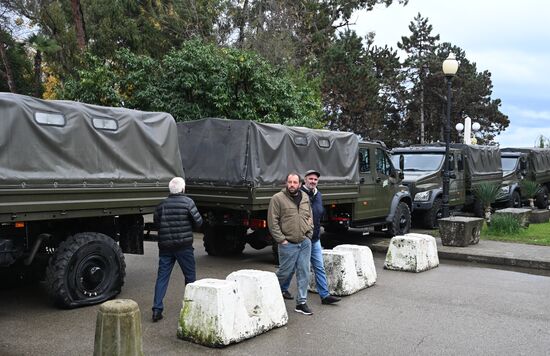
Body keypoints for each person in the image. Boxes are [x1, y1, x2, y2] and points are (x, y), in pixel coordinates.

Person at [152, 177, 202, 322]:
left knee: (162, 277)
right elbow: (198, 223)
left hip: (165, 247)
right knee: (190, 278)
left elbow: (157, 223)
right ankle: (191, 308)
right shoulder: (188, 202)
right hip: (184, 246)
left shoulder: (161, 205)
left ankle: (157, 309)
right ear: (183, 189)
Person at [288, 169, 341, 305]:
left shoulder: (318, 195)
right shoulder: (299, 194)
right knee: (294, 267)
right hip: (302, 238)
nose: (313, 181)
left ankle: (325, 296)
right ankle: (283, 289)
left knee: (319, 267)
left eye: (315, 179)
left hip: (315, 238)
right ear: (305, 180)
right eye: (310, 179)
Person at [268, 172, 314, 315]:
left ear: (300, 184)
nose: (292, 185)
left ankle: (301, 303)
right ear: (286, 183)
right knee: (285, 272)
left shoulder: (305, 197)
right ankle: (268, 292)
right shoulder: (278, 199)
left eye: (295, 182)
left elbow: (309, 216)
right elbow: (272, 221)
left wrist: (309, 233)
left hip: (304, 242)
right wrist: (282, 240)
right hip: (288, 243)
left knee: (304, 272)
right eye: (290, 182)